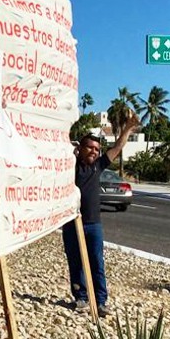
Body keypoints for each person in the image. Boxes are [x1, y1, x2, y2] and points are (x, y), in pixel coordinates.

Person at [62, 113, 140, 318]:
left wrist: (128, 129)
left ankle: (101, 301)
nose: (94, 152)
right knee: (75, 261)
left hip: (93, 224)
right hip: (71, 223)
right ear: (80, 149)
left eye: (97, 149)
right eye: (89, 148)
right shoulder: (70, 166)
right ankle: (81, 298)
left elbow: (117, 148)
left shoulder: (97, 166)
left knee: (97, 261)